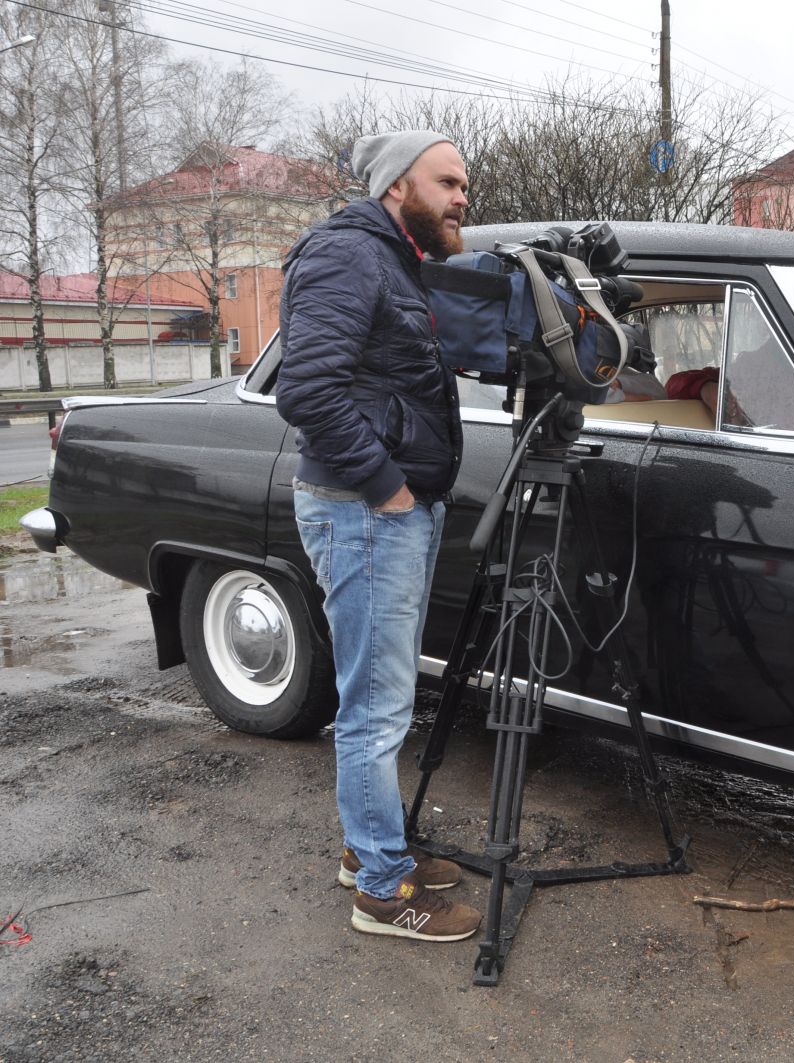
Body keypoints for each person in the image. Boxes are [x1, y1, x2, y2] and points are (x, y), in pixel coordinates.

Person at [276, 130, 482, 943]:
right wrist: (387, 487)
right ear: (399, 185)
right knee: (375, 706)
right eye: (448, 181)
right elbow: (308, 390)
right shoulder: (349, 255)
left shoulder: (394, 259)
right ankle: (383, 893)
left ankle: (371, 848)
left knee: (381, 697)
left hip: (384, 510)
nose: (462, 196)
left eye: (464, 184)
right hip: (365, 511)